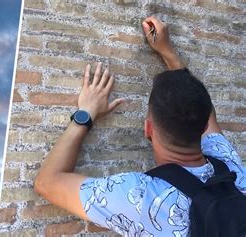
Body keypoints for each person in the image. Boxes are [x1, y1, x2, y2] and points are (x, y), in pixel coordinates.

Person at [34, 16, 245, 236]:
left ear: (148, 129)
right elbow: (204, 108)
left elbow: (47, 182)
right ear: (203, 129)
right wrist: (169, 52)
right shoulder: (230, 166)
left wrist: (85, 114)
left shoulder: (138, 196)